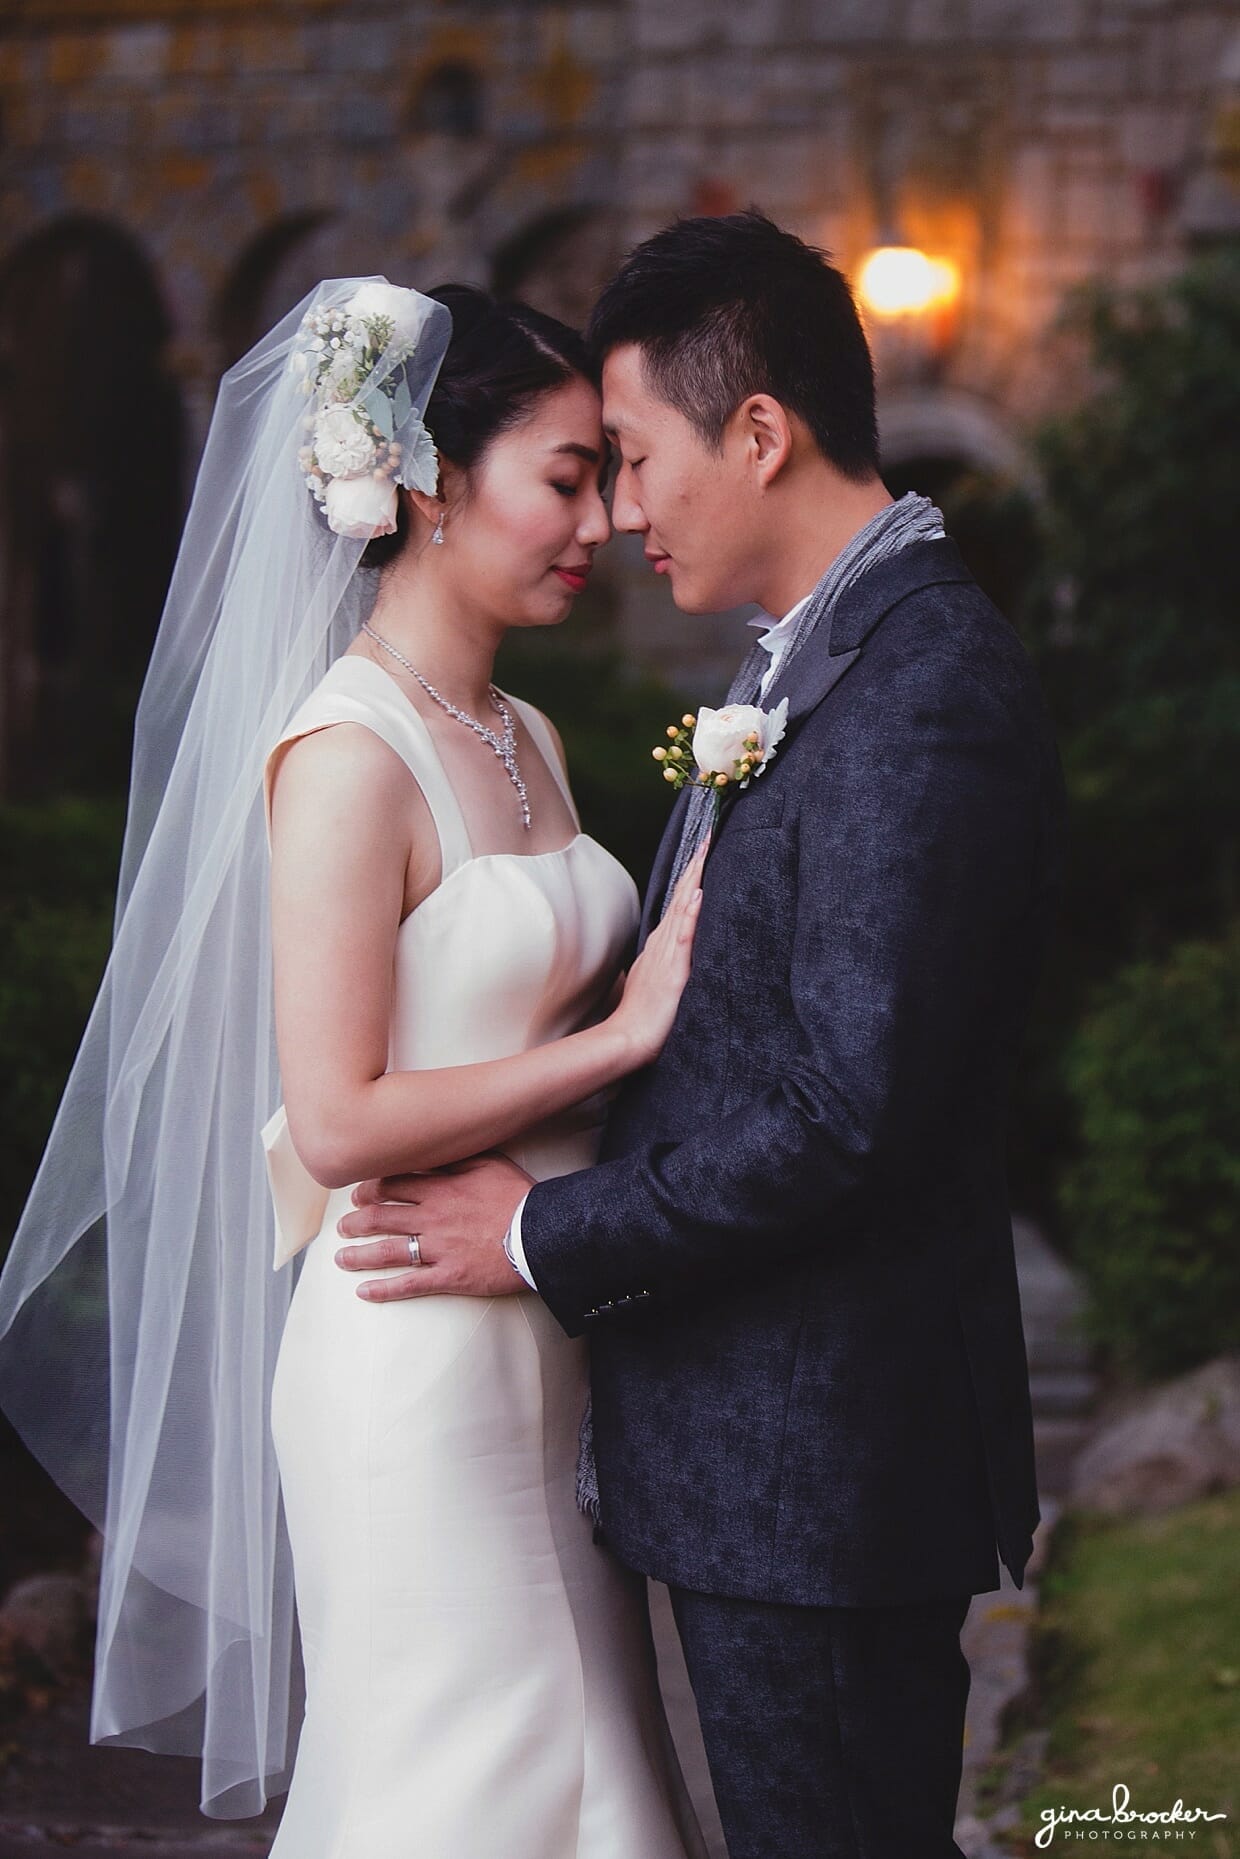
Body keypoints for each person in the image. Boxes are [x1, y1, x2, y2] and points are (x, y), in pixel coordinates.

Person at [334, 212, 1068, 1859]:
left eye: (644, 456)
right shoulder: (822, 664)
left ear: (760, 430)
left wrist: (532, 1227)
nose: (627, 507)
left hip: (819, 1466)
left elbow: (841, 1113)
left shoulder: (919, 688)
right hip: (761, 1453)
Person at [0, 274, 706, 1857]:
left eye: (606, 478)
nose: (602, 519)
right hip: (408, 1350)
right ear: (436, 483)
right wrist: (628, 1033)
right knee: (463, 1784)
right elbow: (336, 1117)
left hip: (547, 1322)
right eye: (570, 475)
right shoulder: (345, 752)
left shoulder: (526, 734)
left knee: (604, 1772)